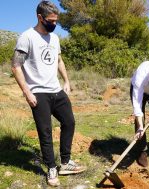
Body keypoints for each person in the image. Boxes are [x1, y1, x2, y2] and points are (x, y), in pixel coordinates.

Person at [11, 1, 85, 187]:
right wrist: (27, 92)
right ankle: (51, 168)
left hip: (56, 89)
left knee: (69, 122)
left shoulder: (55, 39)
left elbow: (59, 60)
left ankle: (65, 162)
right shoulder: (27, 37)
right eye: (51, 21)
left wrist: (66, 81)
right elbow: (16, 66)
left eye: (56, 21)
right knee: (45, 132)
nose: (54, 24)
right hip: (38, 92)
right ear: (40, 18)